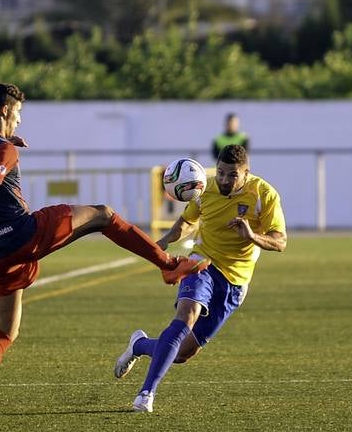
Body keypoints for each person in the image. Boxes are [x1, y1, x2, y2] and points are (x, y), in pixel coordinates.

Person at [0, 82, 205, 427]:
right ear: (5, 110)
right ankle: (170, 265)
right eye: (18, 113)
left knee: (7, 330)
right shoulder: (3, 151)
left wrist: (2, 146)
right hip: (23, 234)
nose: (20, 121)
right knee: (104, 215)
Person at [114, 143, 286, 413]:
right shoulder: (204, 190)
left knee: (182, 353)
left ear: (246, 173)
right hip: (201, 263)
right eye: (221, 173)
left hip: (235, 283)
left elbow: (280, 241)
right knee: (185, 317)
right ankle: (146, 394)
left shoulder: (264, 194)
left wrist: (252, 236)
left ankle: (139, 345)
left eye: (232, 175)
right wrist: (162, 242)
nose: (225, 180)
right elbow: (185, 223)